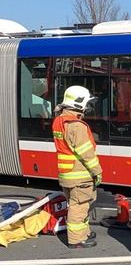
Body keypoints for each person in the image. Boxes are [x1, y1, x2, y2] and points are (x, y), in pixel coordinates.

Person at [52, 85, 101, 248]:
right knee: (79, 206)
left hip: (67, 174)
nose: (88, 107)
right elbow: (87, 153)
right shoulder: (76, 125)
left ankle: (83, 233)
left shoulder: (59, 120)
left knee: (81, 203)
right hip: (79, 174)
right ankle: (76, 239)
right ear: (79, 103)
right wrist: (97, 172)